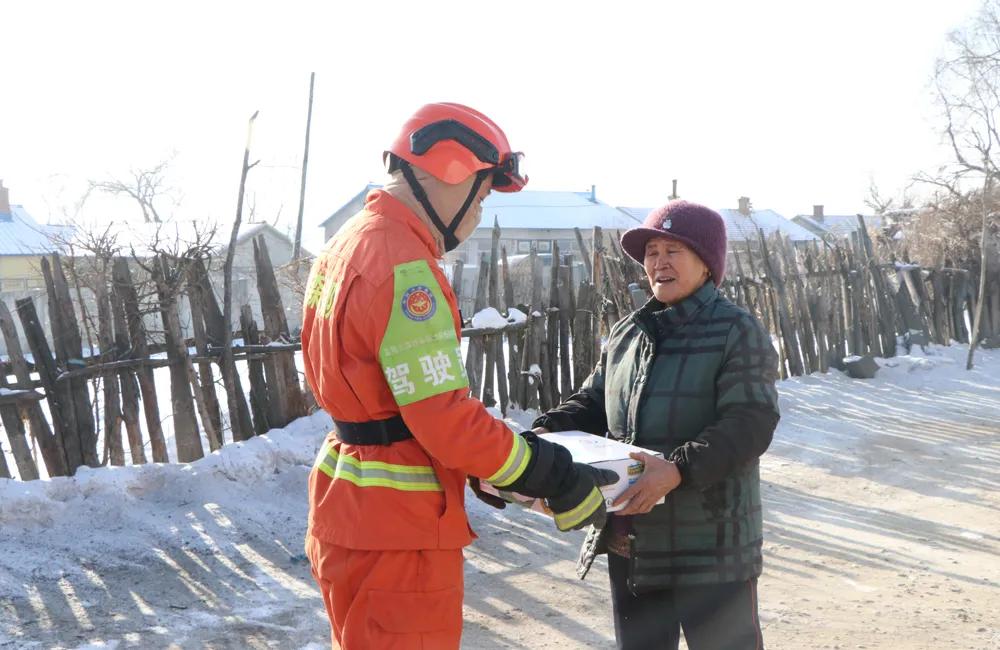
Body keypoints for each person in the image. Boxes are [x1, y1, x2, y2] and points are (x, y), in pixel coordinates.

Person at [300, 102, 617, 650]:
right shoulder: (405, 266)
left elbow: (394, 401)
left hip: (349, 513)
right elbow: (442, 419)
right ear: (451, 174)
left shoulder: (349, 241)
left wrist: (492, 467)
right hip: (399, 540)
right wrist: (550, 473)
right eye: (484, 191)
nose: (479, 214)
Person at [531, 200, 780, 649]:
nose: (658, 262)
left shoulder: (735, 330)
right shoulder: (629, 331)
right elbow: (593, 400)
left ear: (707, 263)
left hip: (711, 547)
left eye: (674, 250)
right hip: (633, 541)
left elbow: (751, 421)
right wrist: (544, 435)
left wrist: (678, 469)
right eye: (651, 252)